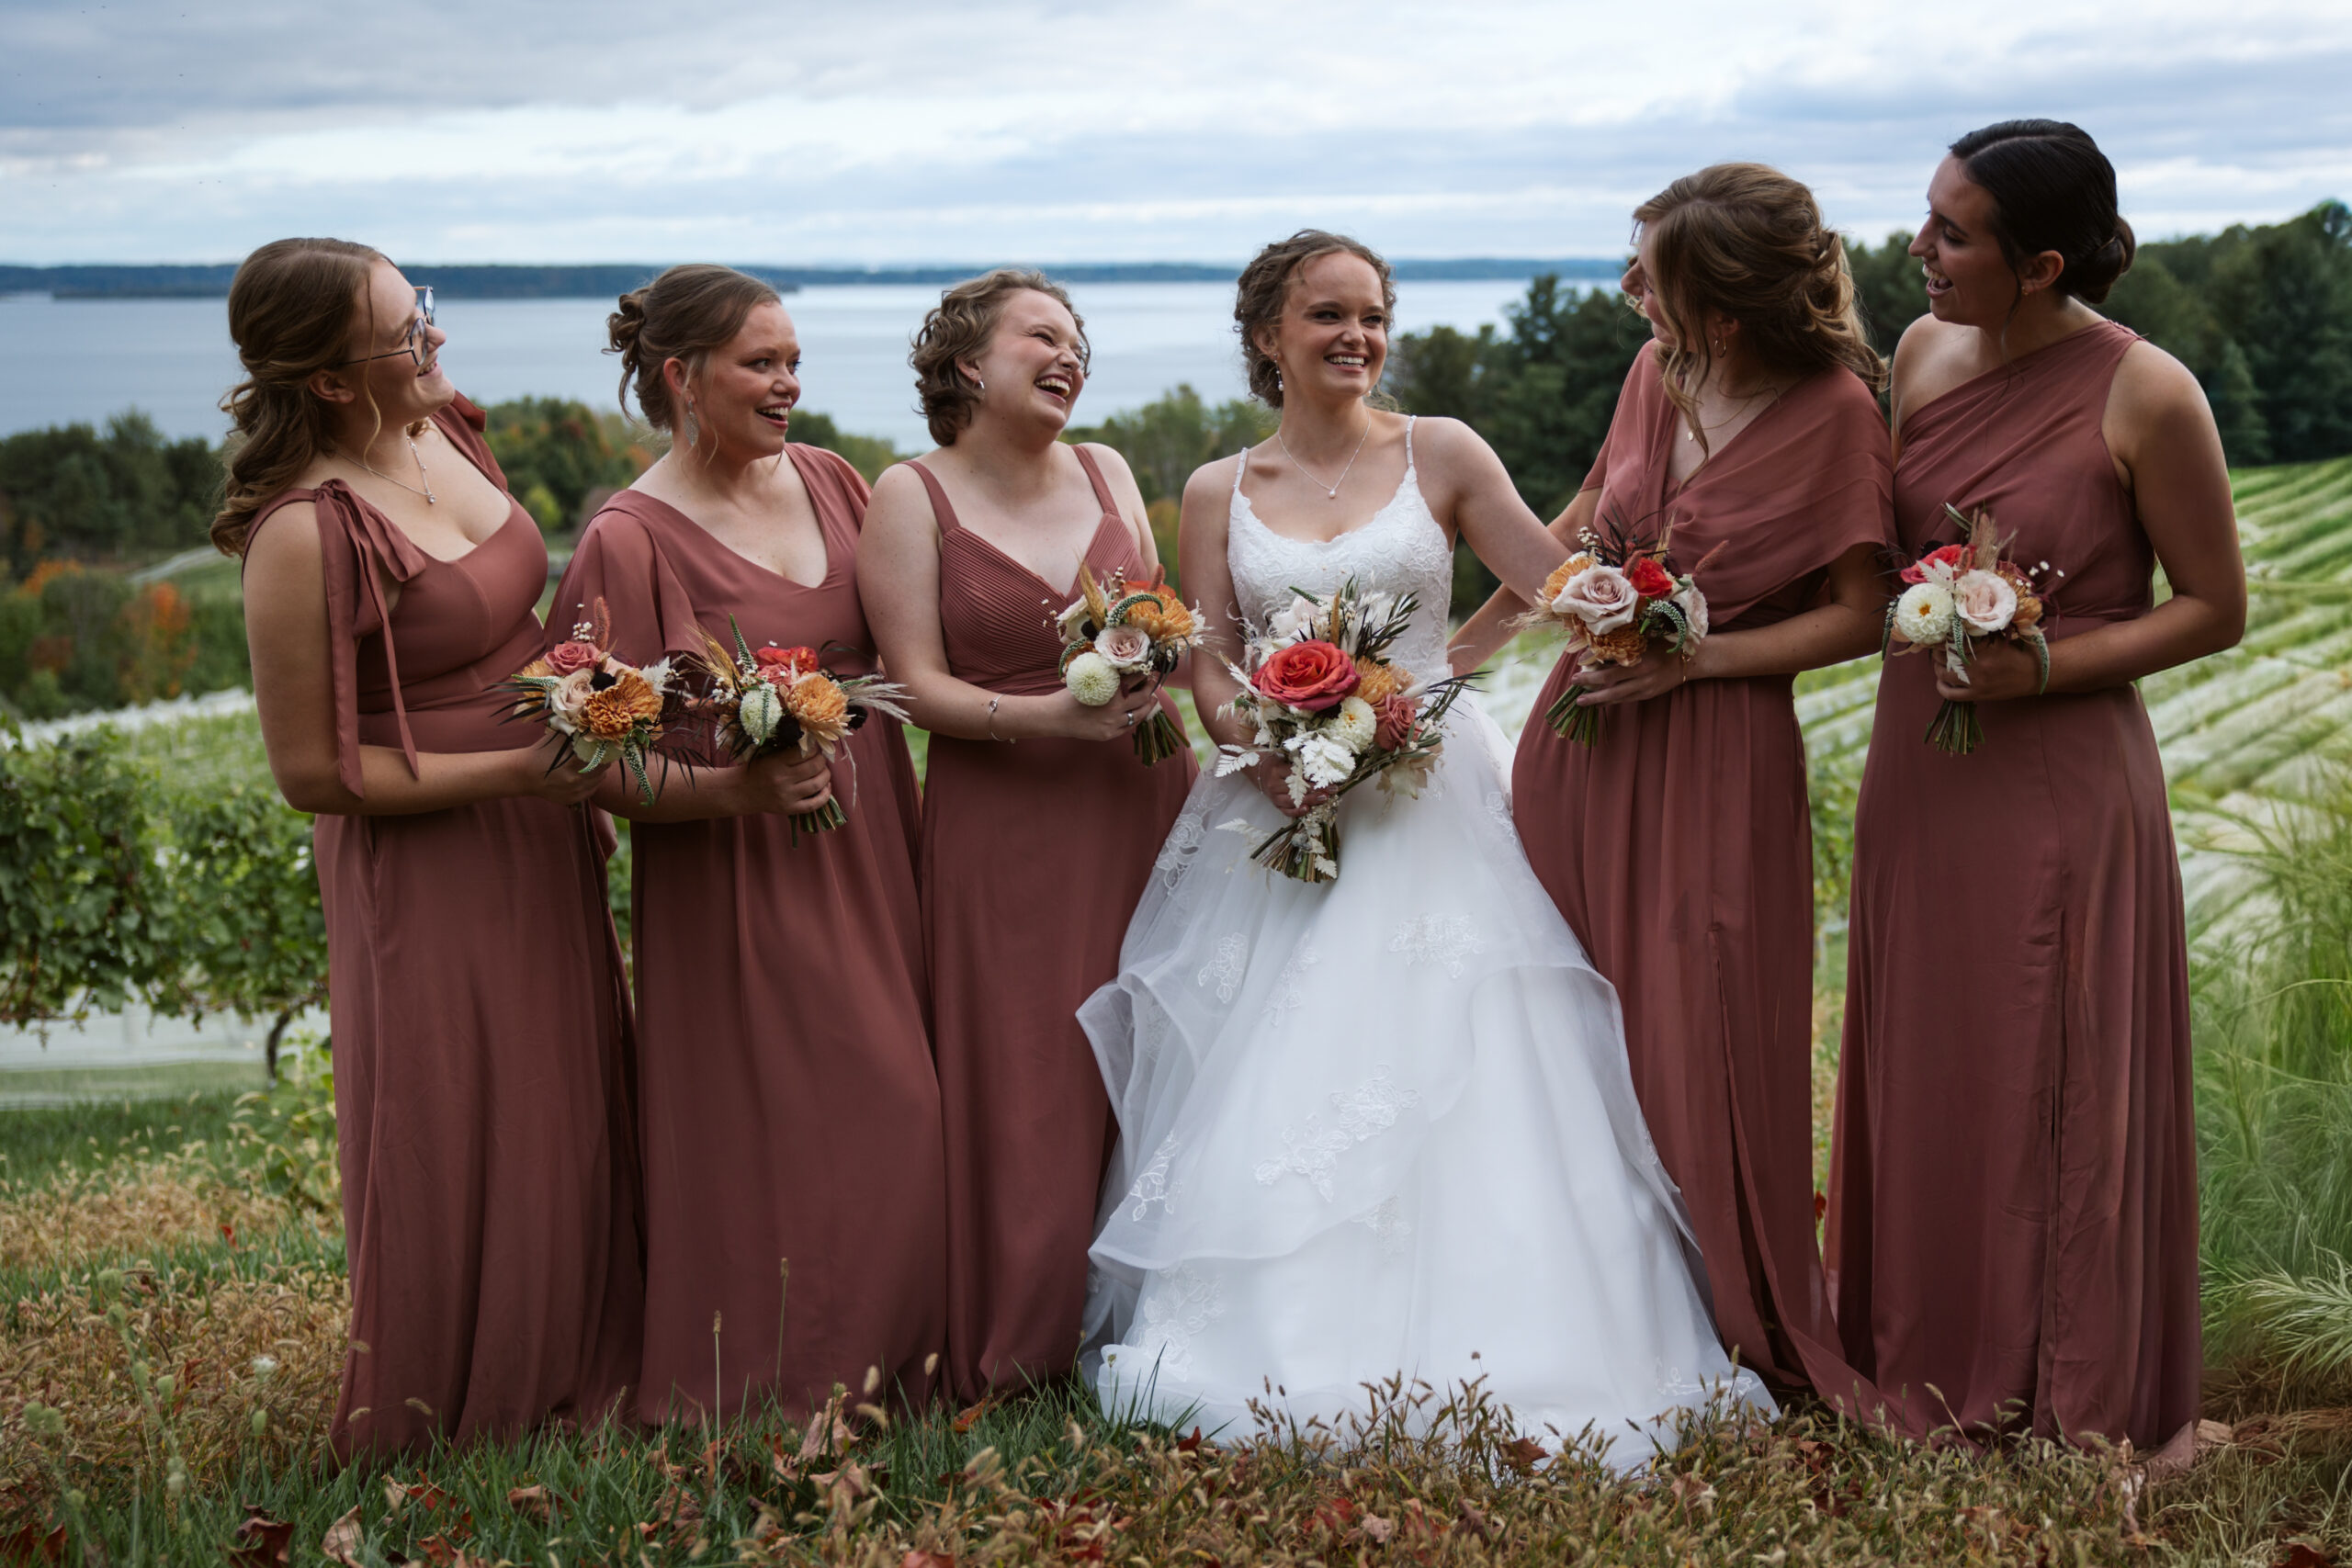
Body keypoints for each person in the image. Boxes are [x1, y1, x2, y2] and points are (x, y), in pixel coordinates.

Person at [1079, 230, 1772, 1461]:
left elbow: (1549, 577)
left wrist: (1464, 664)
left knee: (1480, 1042)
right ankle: (1268, 1337)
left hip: (1433, 791)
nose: (1357, 335)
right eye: (1328, 315)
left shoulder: (1441, 449)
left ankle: (1539, 1339)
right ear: (1266, 336)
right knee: (1274, 1055)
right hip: (1278, 804)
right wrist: (1271, 744)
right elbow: (1212, 656)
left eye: (1374, 315)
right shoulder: (1214, 489)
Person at [1447, 165, 1892, 1417]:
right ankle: (1578, 1293)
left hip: (1719, 754)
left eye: (1652, 272)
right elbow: (1586, 518)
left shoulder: (1839, 413)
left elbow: (1862, 612)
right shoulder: (1655, 373)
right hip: (1581, 740)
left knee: (1702, 1022)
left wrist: (1699, 660)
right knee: (1560, 1013)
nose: (1628, 286)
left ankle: (1726, 1306)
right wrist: (1461, 654)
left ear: (1729, 307)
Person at [1827, 120, 2242, 1450]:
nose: (1918, 248)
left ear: (2044, 260)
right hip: (1921, 765)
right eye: (1927, 216)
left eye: (1953, 233)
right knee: (1928, 1057)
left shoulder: (2149, 393)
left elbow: (2215, 610)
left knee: (2046, 1065)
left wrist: (2045, 659)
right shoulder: (1920, 352)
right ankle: (1922, 1360)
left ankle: (2064, 1393)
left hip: (2061, 773)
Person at [222, 238, 640, 1457]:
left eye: (428, 313)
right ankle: (451, 1396)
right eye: (409, 332)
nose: (437, 343)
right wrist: (521, 768)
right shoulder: (303, 530)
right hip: (426, 851)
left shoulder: (449, 429)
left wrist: (587, 682)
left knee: (564, 1084)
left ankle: (581, 1355)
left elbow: (513, 617)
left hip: (539, 812)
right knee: (455, 1102)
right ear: (339, 381)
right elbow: (312, 770)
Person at [551, 265, 945, 1422]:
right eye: (761, 364)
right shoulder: (628, 541)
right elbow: (583, 755)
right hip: (730, 872)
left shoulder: (832, 481)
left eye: (794, 361)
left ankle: (895, 1368)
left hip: (867, 849)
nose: (788, 385)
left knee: (897, 1101)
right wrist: (736, 793)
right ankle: (765, 1381)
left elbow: (911, 644)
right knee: (778, 1122)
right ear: (682, 377)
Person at [858, 269, 1196, 1402]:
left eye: (1078, 340)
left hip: (1142, 802)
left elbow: (1160, 623)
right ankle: (1026, 1340)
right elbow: (911, 687)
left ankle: (1160, 1320)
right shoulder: (910, 495)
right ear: (967, 365)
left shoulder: (1106, 469)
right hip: (1003, 826)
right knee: (1031, 1075)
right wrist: (1051, 716)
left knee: (1163, 1046)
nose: (1070, 355)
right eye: (1041, 337)